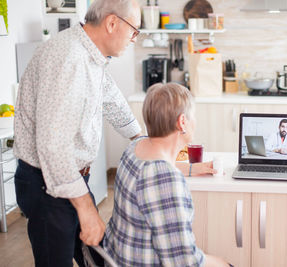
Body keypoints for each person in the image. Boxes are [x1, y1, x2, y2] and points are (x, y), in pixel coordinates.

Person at [13, 0, 213, 266]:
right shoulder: (68, 59)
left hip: (69, 178)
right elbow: (53, 146)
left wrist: (148, 143)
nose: (134, 38)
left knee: (92, 253)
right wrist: (85, 209)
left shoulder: (90, 54)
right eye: (134, 30)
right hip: (46, 182)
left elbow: (113, 102)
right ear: (111, 23)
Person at [104, 83, 230, 267]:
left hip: (118, 257)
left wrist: (192, 168)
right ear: (182, 122)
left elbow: (153, 174)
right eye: (192, 116)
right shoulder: (165, 180)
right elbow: (185, 262)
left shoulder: (135, 147)